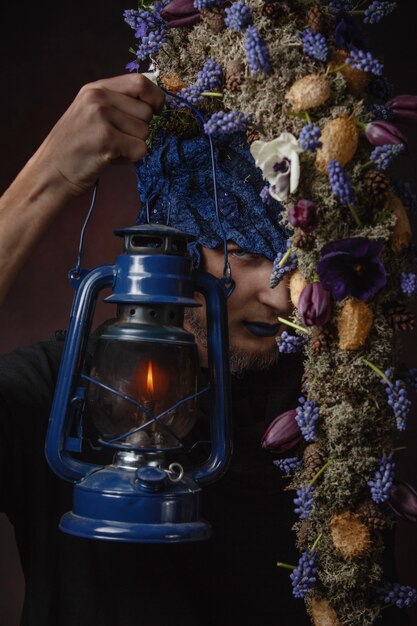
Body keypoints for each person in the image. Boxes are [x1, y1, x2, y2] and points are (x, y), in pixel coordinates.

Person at [0, 74, 404, 626]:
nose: (284, 294)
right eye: (244, 251)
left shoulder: (357, 423)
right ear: (177, 246)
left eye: (300, 260)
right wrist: (44, 180)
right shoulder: (59, 389)